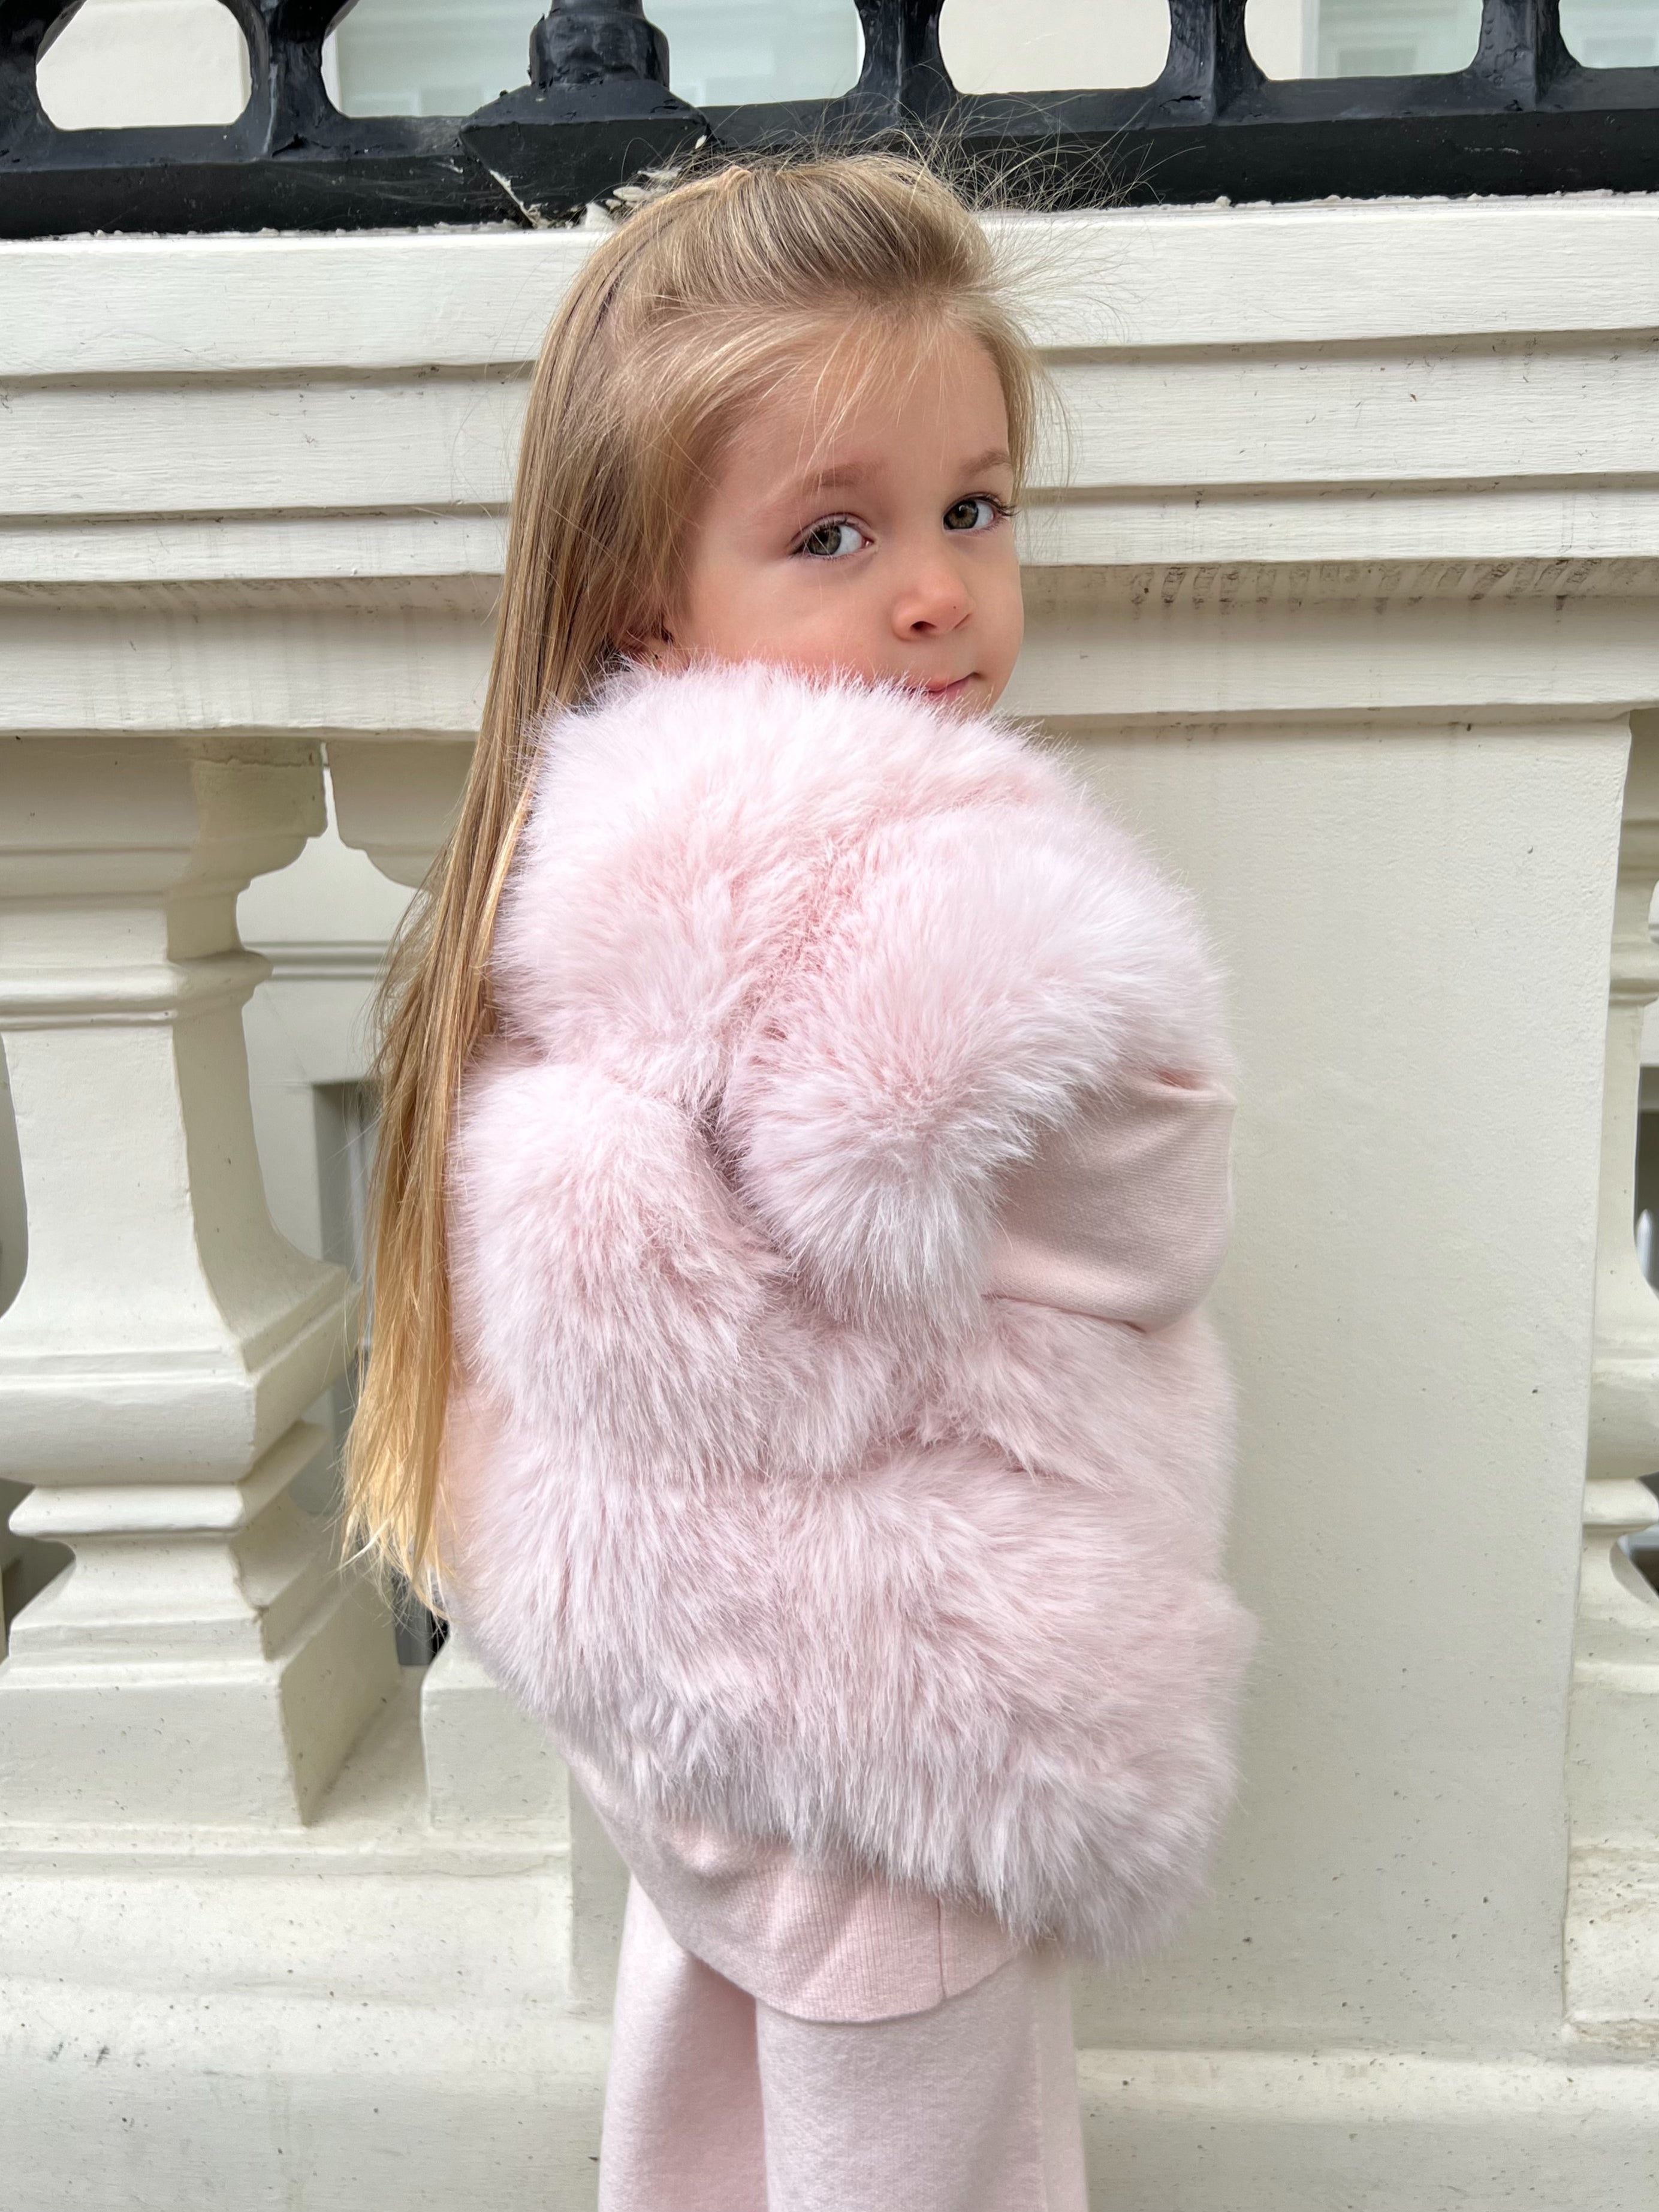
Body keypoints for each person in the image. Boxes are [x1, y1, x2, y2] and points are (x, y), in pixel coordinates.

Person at [343, 153, 1256, 2212]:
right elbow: (1144, 1216)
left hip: (694, 1701)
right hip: (911, 1714)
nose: (934, 588)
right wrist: (1107, 1024)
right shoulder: (937, 910)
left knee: (705, 2138)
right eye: (835, 533)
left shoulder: (593, 875)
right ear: (648, 595)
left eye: (973, 508)